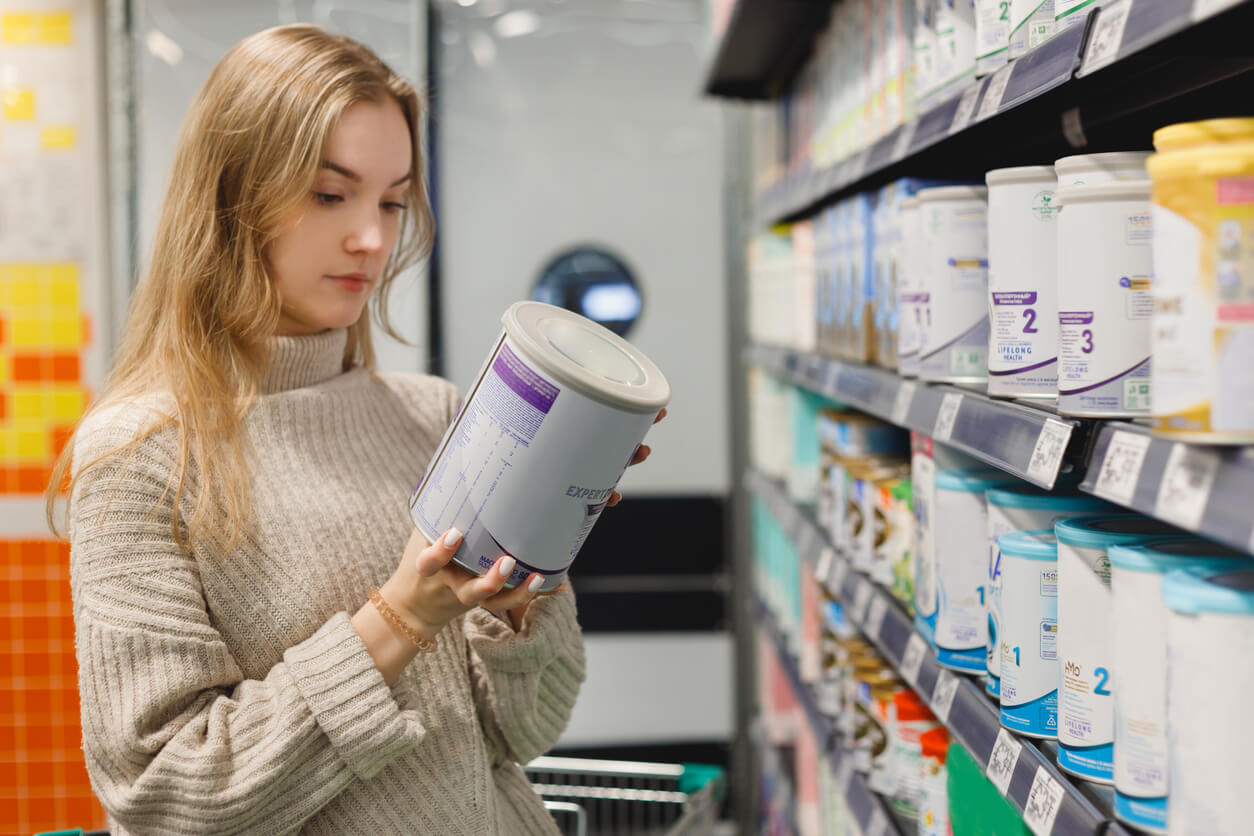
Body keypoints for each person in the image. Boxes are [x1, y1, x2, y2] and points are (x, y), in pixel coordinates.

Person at [48, 24, 659, 835]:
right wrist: (400, 620)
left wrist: (525, 587)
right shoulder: (141, 456)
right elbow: (164, 792)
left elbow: (527, 730)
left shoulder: (435, 415)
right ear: (230, 196)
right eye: (330, 194)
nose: (372, 239)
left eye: (393, 200)